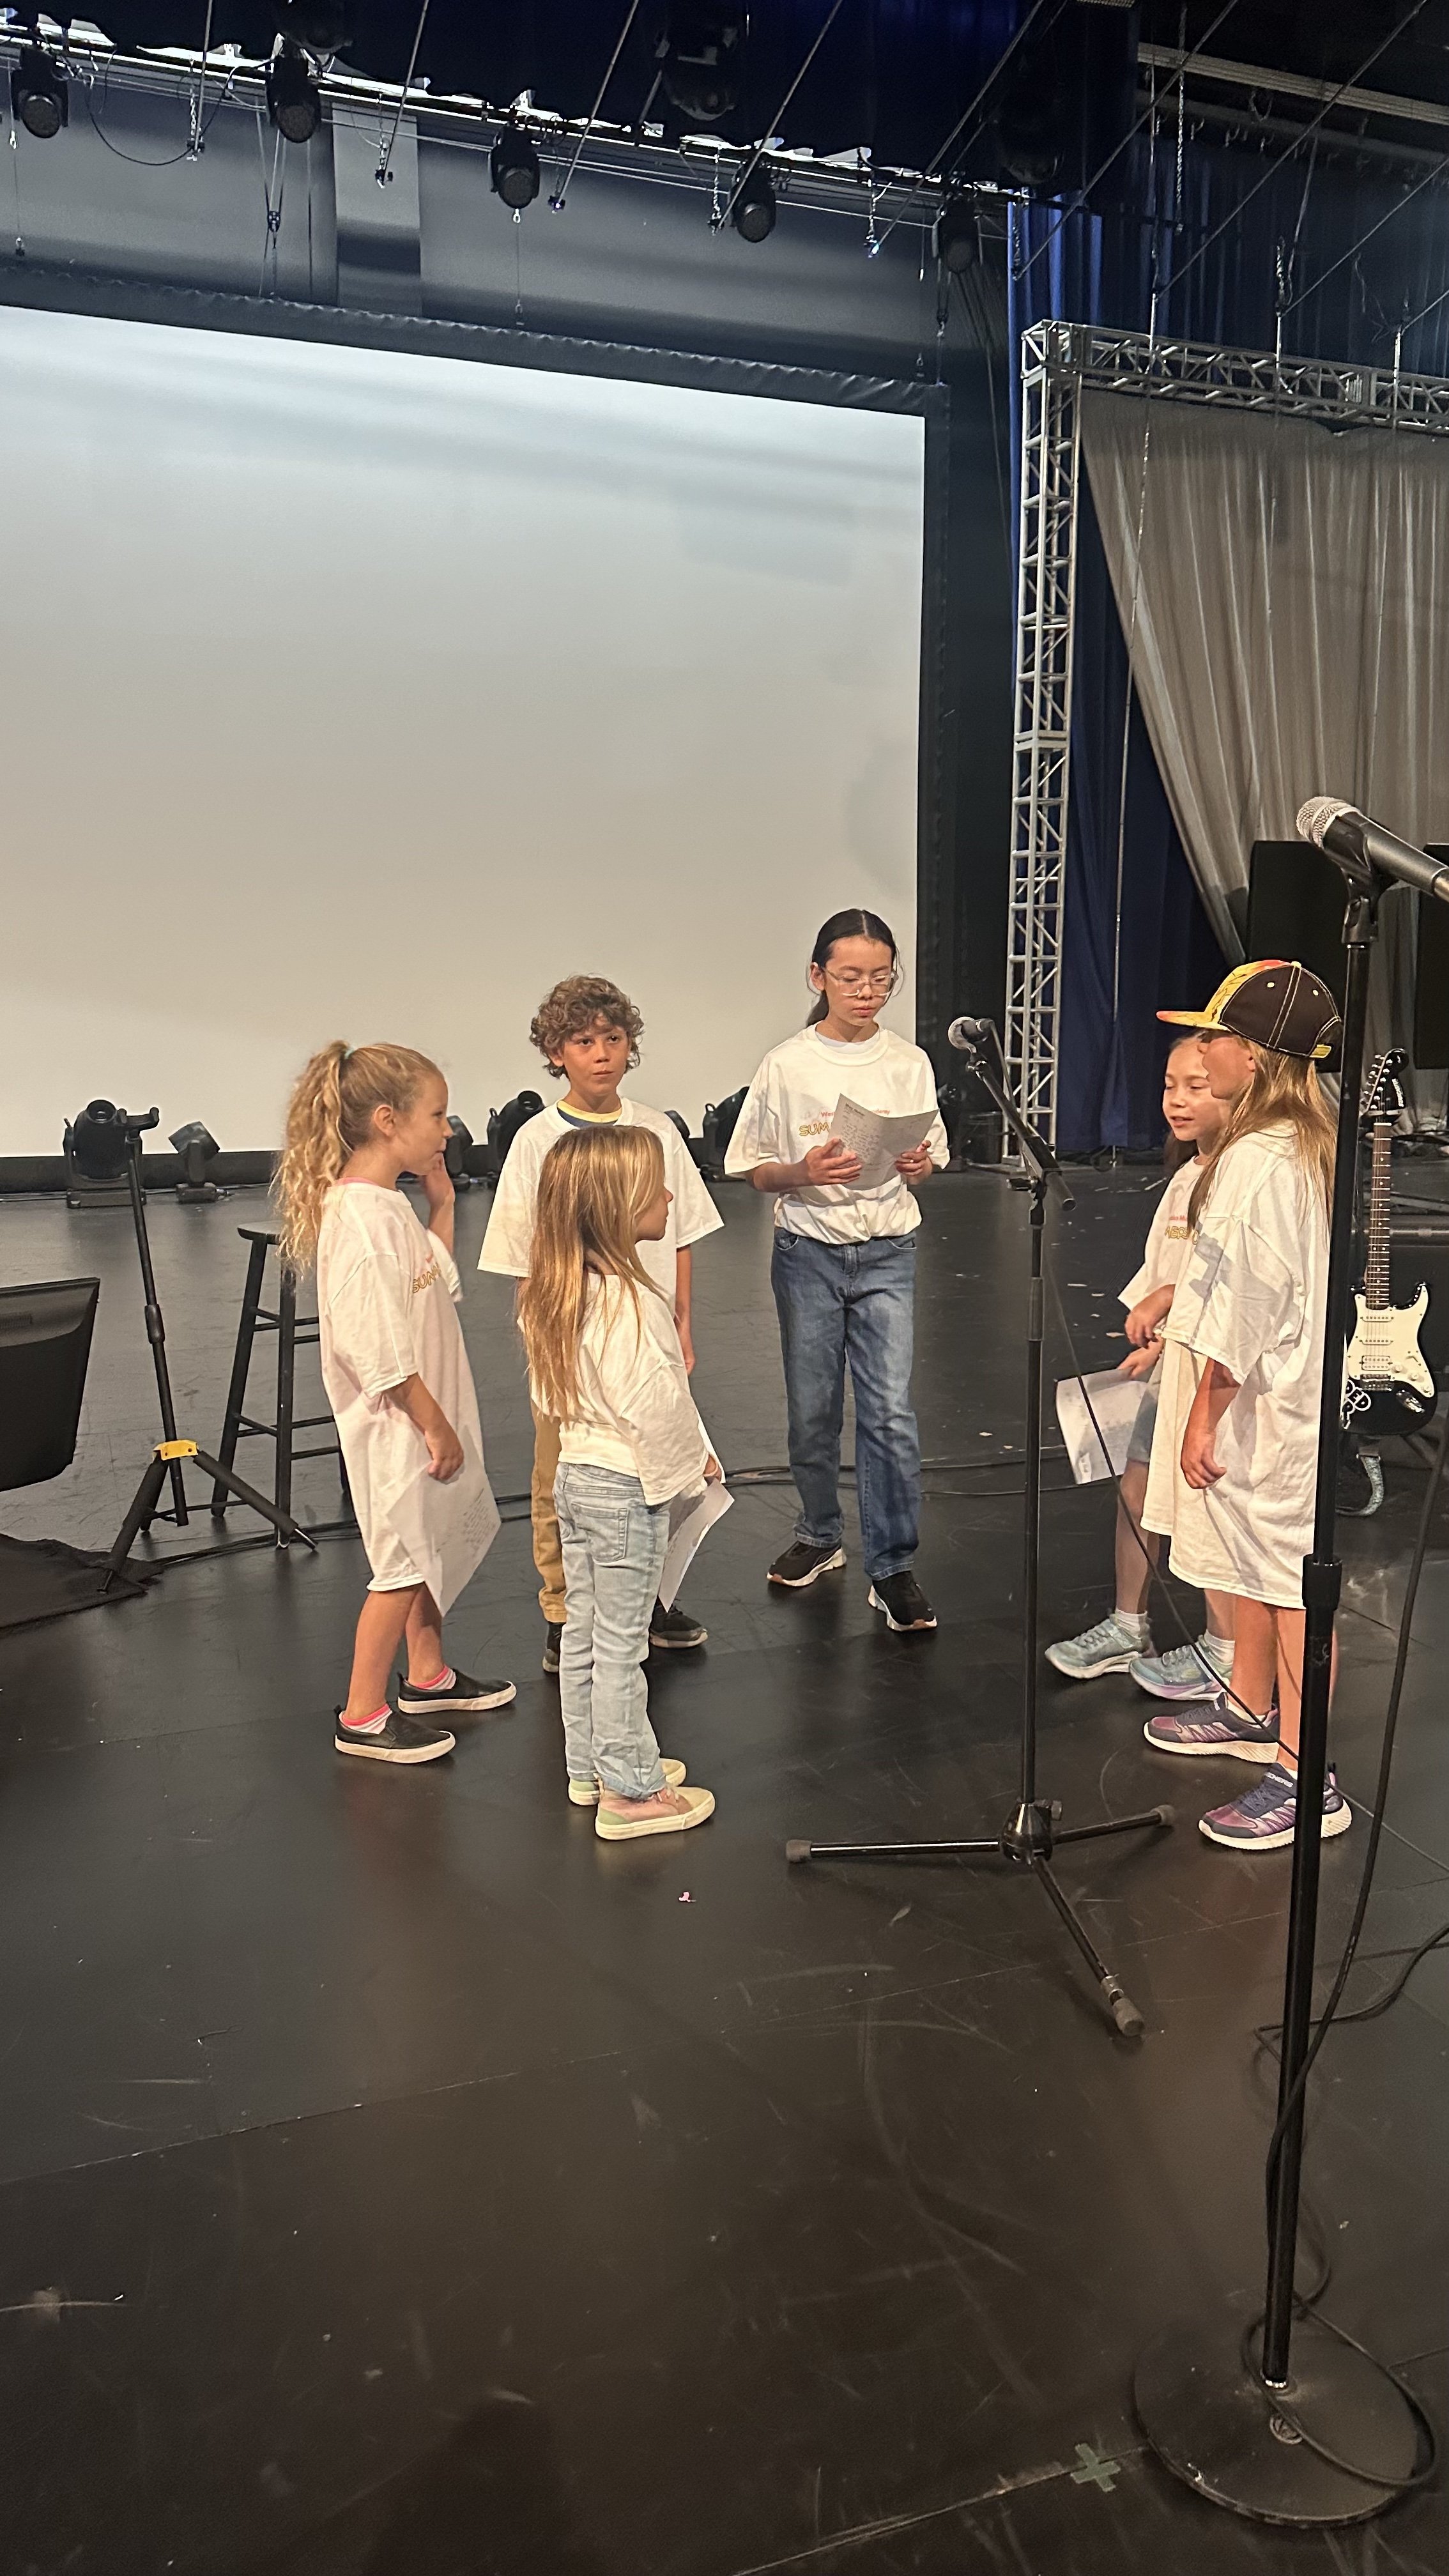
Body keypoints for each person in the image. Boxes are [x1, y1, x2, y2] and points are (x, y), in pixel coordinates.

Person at [1140, 962, 1351, 1851]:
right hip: (1271, 1395)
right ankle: (1252, 1707)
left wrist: (1203, 1413)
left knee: (1292, 1583)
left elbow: (1244, 1304)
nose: (1202, 1052)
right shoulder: (1286, 1143)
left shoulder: (1262, 1160)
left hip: (1269, 1403)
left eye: (1217, 1037)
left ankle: (1308, 1775)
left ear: (1255, 1056)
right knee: (1257, 1569)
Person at [275, 1041, 515, 1765]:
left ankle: (428, 1675)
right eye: (436, 1116)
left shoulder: (388, 1207)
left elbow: (431, 1280)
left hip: (421, 1414)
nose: (448, 1131)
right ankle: (362, 1712)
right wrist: (433, 1423)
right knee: (401, 1564)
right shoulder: (359, 1219)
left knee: (426, 1545)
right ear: (387, 1120)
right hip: (398, 1425)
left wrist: (442, 1204)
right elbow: (373, 1348)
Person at [480, 975, 723, 1674]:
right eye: (584, 1041)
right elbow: (522, 1252)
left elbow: (681, 1231)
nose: (601, 1054)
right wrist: (545, 1338)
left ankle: (648, 1596)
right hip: (574, 1341)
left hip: (643, 1337)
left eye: (613, 1039)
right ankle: (564, 1609)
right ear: (556, 1052)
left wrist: (682, 1322)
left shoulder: (655, 1129)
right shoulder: (537, 1141)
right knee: (562, 1472)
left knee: (659, 1465)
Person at [725, 907, 949, 1633]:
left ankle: (893, 1566)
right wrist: (803, 1170)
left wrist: (917, 1164)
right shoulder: (787, 1065)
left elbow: (931, 1156)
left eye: (881, 978)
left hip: (888, 1249)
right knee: (813, 1409)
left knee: (889, 1413)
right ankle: (820, 1532)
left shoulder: (908, 1062)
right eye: (850, 977)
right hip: (809, 1252)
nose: (866, 992)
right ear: (817, 976)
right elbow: (752, 1168)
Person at [518, 1124, 718, 1841]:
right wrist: (695, 1463)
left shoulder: (557, 1294)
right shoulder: (632, 1301)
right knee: (624, 1647)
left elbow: (553, 1396)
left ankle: (590, 1765)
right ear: (617, 1205)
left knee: (583, 1633)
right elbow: (656, 1404)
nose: (669, 1196)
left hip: (576, 1477)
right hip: (626, 1489)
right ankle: (631, 1790)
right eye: (654, 1186)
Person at [1048, 1032, 1236, 1692]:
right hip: (1174, 1365)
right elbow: (1166, 1269)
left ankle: (1226, 1648)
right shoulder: (1185, 1178)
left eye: (1196, 1086)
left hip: (1220, 1373)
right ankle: (1128, 1624)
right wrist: (1157, 1341)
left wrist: (1172, 1301)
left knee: (1208, 1502)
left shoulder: (1241, 1178)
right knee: (1137, 1489)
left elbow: (1233, 1282)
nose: (1177, 1101)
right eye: (1168, 1086)